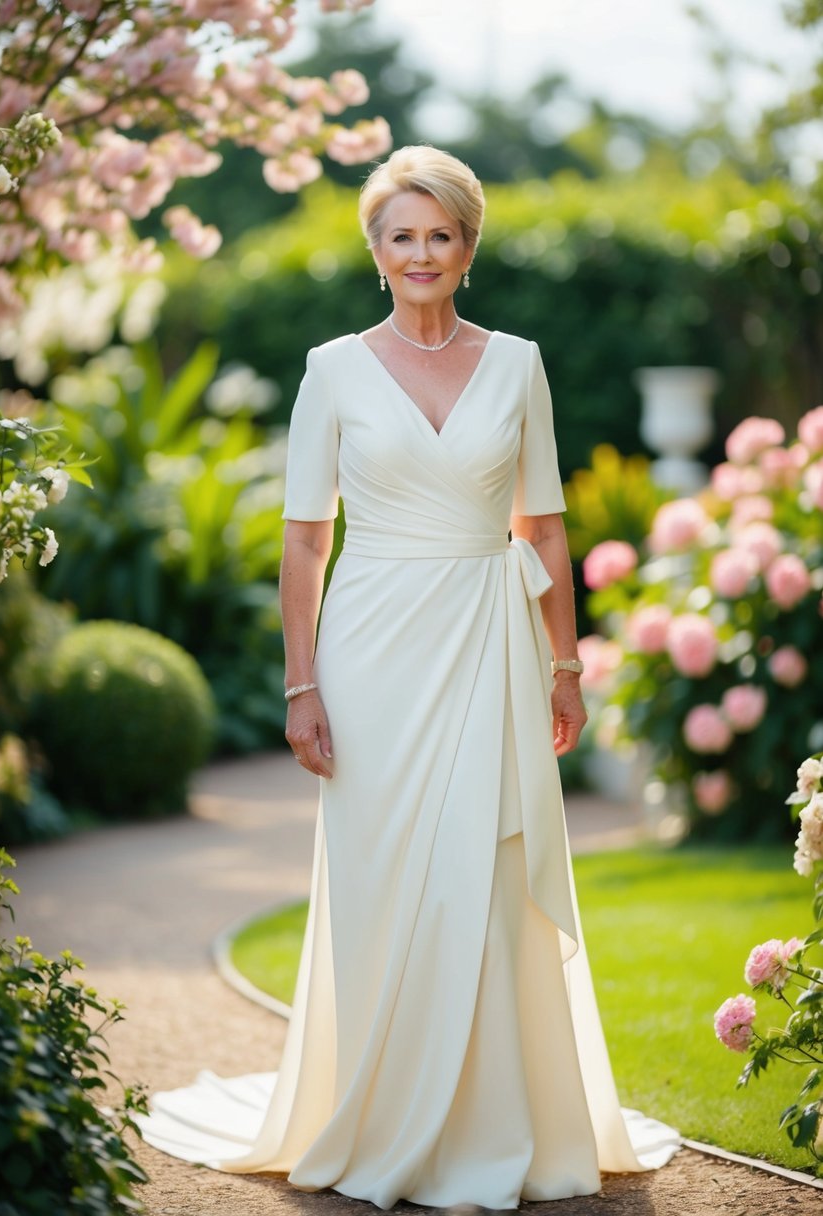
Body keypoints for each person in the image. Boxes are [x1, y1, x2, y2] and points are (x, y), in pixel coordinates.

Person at [137, 145, 680, 1208]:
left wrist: (566, 663)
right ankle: (382, 1113)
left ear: (467, 248)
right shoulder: (331, 368)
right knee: (385, 879)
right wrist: (302, 686)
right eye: (401, 236)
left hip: (490, 638)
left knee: (483, 877)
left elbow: (546, 528)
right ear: (375, 251)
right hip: (371, 646)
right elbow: (303, 542)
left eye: (440, 234)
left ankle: (494, 1120)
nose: (420, 253)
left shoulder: (519, 362)